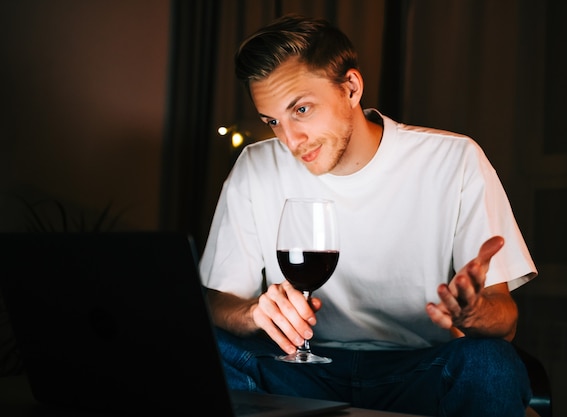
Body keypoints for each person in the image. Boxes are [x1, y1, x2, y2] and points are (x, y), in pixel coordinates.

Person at [199, 14, 537, 417]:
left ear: (351, 88)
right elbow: (218, 301)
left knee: (491, 361)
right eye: (273, 121)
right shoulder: (255, 166)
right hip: (298, 371)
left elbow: (506, 321)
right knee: (208, 346)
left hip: (418, 371)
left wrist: (476, 313)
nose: (289, 140)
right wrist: (252, 312)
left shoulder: (454, 159)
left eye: (302, 109)